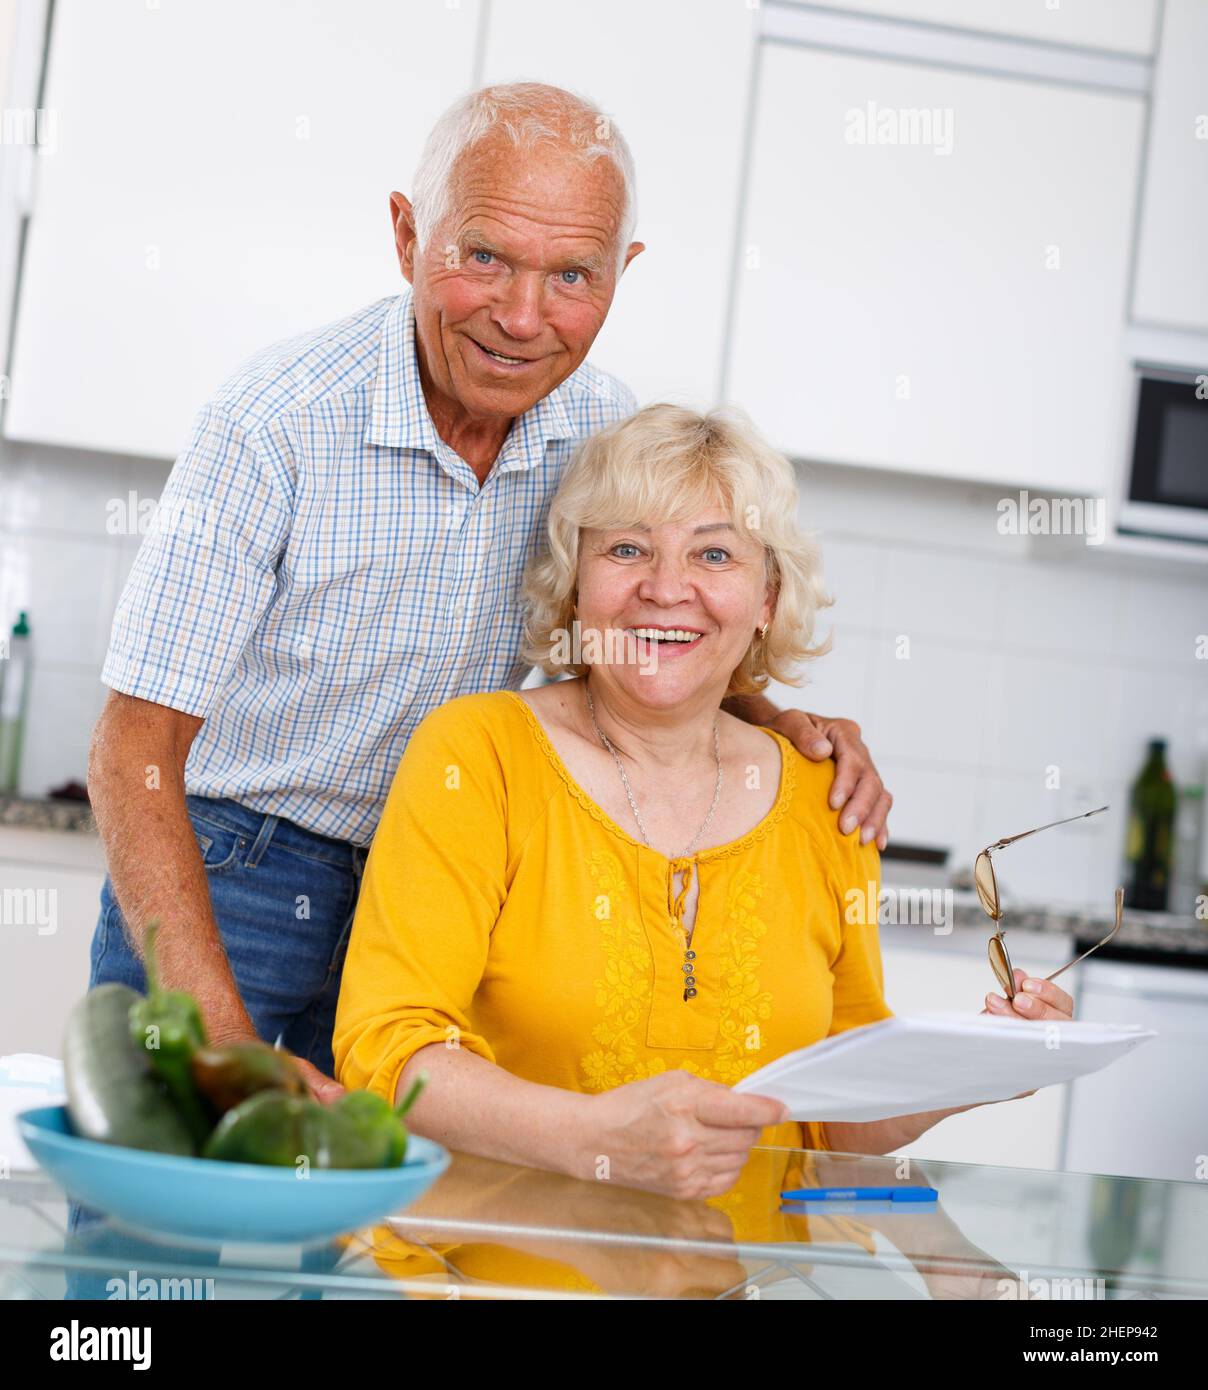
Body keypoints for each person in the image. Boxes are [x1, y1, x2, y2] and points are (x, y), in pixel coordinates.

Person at [86, 83, 891, 1102]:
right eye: (482, 258)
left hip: (443, 890)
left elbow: (643, 620)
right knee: (175, 1212)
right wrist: (218, 1033)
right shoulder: (275, 424)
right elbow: (131, 747)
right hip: (229, 867)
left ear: (621, 273)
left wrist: (781, 721)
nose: (521, 317)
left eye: (570, 275)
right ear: (405, 235)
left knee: (356, 1245)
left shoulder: (598, 425)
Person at [333, 405, 1074, 1198]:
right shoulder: (477, 755)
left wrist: (979, 1069)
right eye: (626, 549)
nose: (665, 588)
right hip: (500, 1262)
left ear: (766, 599)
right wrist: (594, 1140)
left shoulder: (830, 796)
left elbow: (830, 1123)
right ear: (576, 586)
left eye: (714, 554)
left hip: (742, 1274)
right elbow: (387, 1051)